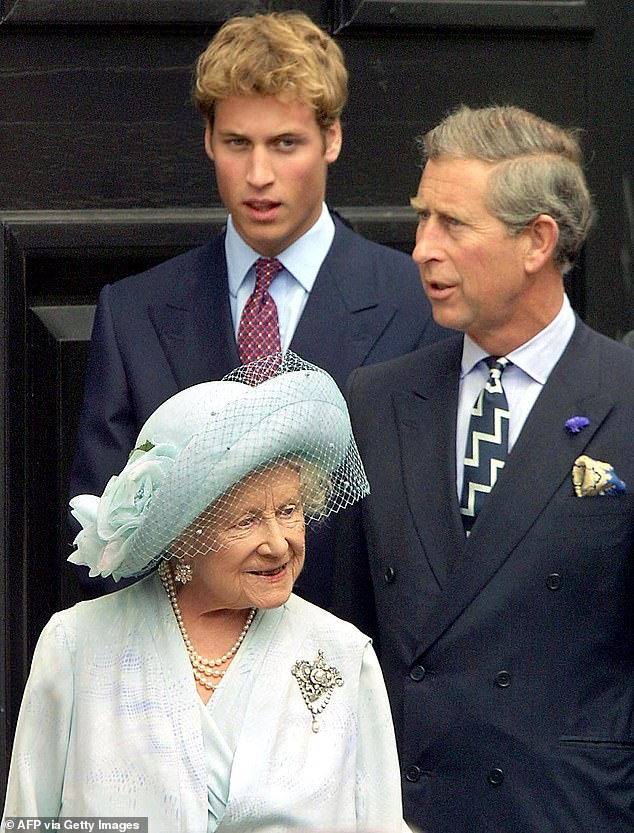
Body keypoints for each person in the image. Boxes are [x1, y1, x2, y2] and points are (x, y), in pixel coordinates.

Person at [69, 11, 447, 608]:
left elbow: (432, 540)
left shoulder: (415, 305)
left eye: (285, 143)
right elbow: (100, 548)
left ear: (332, 139)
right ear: (208, 141)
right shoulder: (134, 313)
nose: (259, 175)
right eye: (237, 144)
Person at [332, 104, 634, 832]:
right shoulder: (376, 400)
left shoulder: (625, 396)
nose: (422, 249)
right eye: (422, 218)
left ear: (538, 241)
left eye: (452, 224)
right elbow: (345, 629)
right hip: (409, 809)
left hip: (571, 811)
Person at [4, 352, 407, 833]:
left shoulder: (343, 656)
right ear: (183, 533)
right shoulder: (77, 647)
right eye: (247, 520)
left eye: (290, 510)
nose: (278, 543)